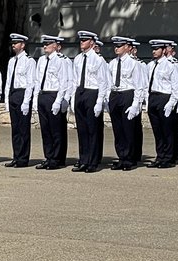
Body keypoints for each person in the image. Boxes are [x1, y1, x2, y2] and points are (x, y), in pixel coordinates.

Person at [70, 30, 109, 172]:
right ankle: (83, 160)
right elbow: (74, 80)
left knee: (92, 130)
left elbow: (103, 82)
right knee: (82, 130)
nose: (82, 43)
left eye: (84, 41)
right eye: (81, 40)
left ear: (92, 42)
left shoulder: (98, 60)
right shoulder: (78, 59)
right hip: (81, 92)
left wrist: (99, 102)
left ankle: (92, 162)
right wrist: (73, 98)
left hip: (92, 93)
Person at [105, 36, 146, 171]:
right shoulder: (112, 63)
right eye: (116, 46)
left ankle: (130, 158)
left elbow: (139, 85)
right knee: (118, 129)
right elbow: (108, 82)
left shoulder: (134, 63)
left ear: (128, 47)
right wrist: (107, 99)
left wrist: (136, 104)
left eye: (120, 45)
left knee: (128, 128)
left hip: (128, 94)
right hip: (115, 94)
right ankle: (121, 157)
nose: (117, 48)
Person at [33, 35, 74, 170]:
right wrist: (35, 98)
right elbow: (37, 80)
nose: (45, 46)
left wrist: (60, 100)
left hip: (54, 95)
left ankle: (57, 158)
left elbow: (65, 82)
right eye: (44, 44)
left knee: (57, 130)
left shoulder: (62, 60)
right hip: (43, 95)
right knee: (45, 129)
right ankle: (49, 157)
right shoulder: (41, 60)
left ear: (56, 45)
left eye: (49, 43)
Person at [145, 39, 178, 168]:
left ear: (164, 50)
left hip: (164, 97)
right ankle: (160, 156)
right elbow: (146, 84)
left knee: (167, 130)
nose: (154, 51)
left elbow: (176, 87)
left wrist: (171, 103)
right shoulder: (150, 65)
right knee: (157, 131)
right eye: (153, 49)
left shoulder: (170, 65)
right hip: (153, 97)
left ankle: (168, 157)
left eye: (157, 49)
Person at [2, 33, 37, 168]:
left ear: (22, 45)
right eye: (12, 43)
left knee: (23, 129)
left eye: (16, 43)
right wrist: (6, 99)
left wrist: (26, 101)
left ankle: (23, 158)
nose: (13, 45)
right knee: (15, 129)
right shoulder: (12, 61)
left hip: (22, 94)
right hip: (13, 93)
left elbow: (30, 83)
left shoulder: (29, 61)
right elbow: (8, 81)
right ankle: (16, 156)